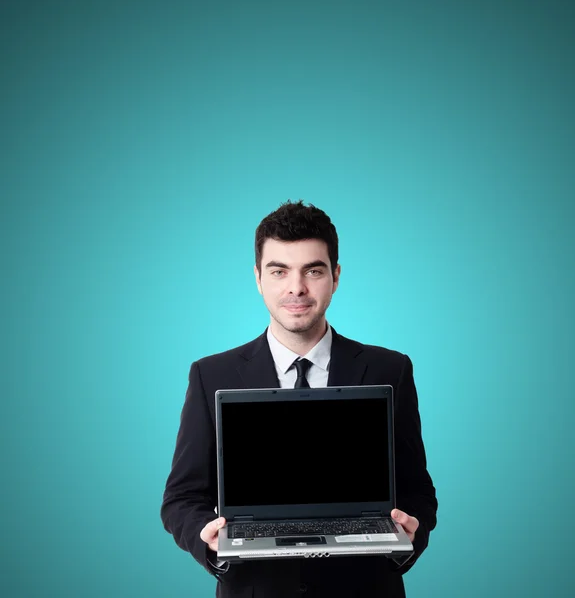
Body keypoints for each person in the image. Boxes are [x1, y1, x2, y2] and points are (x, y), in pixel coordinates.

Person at [161, 200, 438, 598]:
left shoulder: (389, 370)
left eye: (313, 270)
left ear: (336, 276)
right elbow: (181, 498)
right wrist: (209, 542)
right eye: (279, 271)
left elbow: (417, 492)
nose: (297, 287)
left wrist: (405, 540)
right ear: (258, 278)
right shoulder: (211, 375)